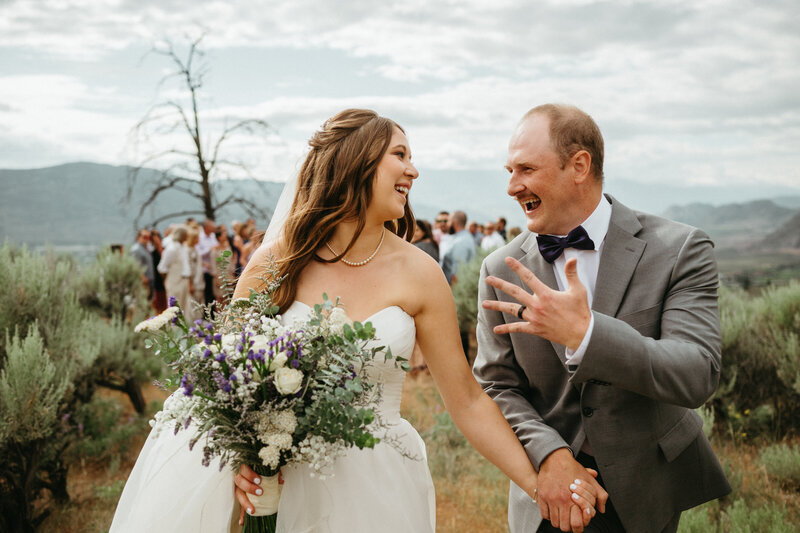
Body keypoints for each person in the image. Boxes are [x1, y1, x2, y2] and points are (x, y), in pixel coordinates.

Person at [106, 109, 610, 533]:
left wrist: (539, 481)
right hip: (286, 486)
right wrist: (242, 460)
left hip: (382, 487)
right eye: (400, 155)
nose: (414, 171)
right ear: (355, 162)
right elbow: (222, 388)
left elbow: (470, 400)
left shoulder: (421, 273)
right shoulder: (274, 263)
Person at [472, 103, 731, 533]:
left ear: (579, 166)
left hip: (647, 491)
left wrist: (589, 335)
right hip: (547, 495)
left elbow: (696, 373)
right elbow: (497, 385)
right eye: (509, 171)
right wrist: (550, 456)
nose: (512, 186)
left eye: (526, 169)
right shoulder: (499, 267)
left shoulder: (680, 249)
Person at [157, 225, 191, 319]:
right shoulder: (171, 249)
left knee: (183, 308)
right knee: (174, 309)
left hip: (184, 280)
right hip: (174, 281)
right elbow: (162, 267)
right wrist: (167, 281)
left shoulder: (183, 247)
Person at [440, 210, 476, 285]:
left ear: (454, 223)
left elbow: (457, 273)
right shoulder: (463, 237)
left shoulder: (461, 242)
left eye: (448, 221)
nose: (447, 224)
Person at [129, 228, 155, 300]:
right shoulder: (136, 249)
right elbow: (136, 265)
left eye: (148, 237)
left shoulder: (145, 248)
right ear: (138, 237)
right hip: (143, 282)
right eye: (144, 237)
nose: (146, 239)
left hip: (149, 280)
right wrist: (143, 278)